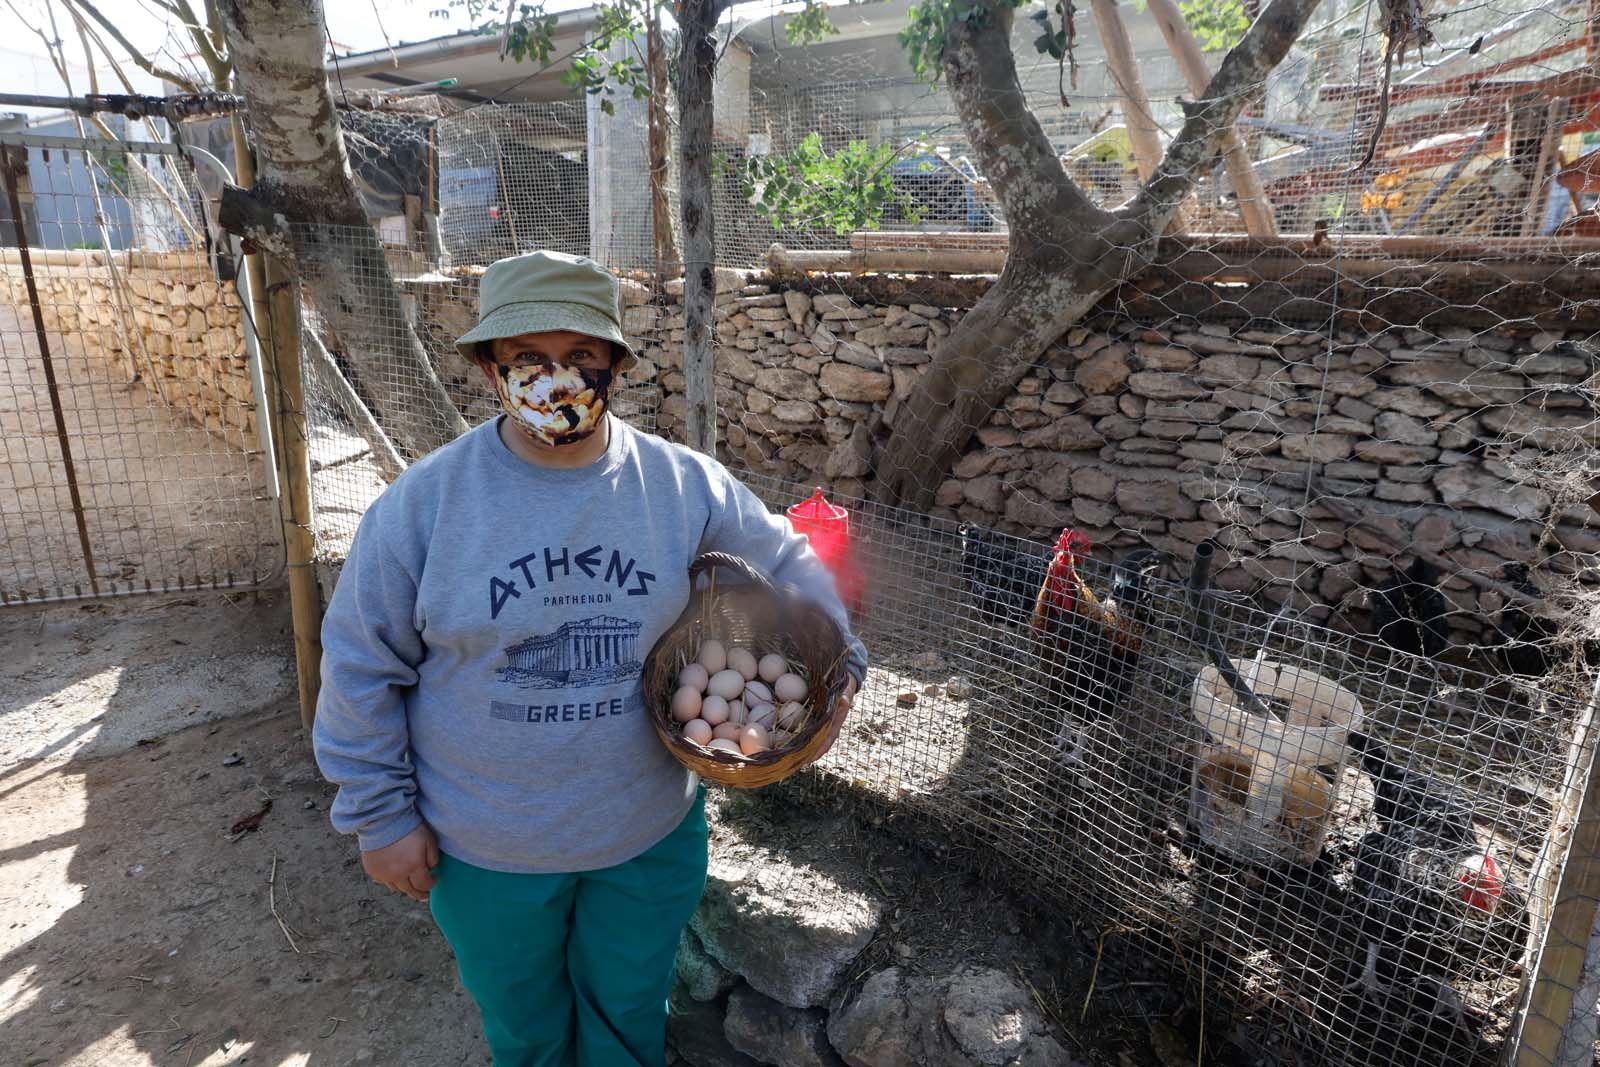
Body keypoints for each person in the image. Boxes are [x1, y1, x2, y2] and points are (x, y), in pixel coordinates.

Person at [311, 250, 867, 1067]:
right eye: (527, 360)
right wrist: (381, 814)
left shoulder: (680, 485)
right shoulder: (423, 507)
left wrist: (842, 652)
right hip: (485, 847)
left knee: (629, 1013)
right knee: (525, 1026)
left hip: (644, 834)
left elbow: (785, 558)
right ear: (488, 369)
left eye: (579, 357)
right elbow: (360, 663)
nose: (555, 379)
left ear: (613, 365)